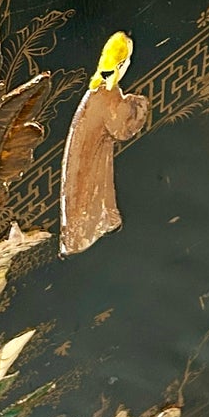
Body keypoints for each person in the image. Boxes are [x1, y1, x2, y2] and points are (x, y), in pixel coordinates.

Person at [59, 31, 149, 255]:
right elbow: (121, 129)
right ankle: (82, 237)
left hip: (87, 156)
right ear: (121, 64)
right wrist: (138, 104)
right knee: (88, 194)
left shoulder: (96, 91)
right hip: (89, 159)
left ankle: (84, 232)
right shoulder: (108, 94)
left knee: (83, 191)